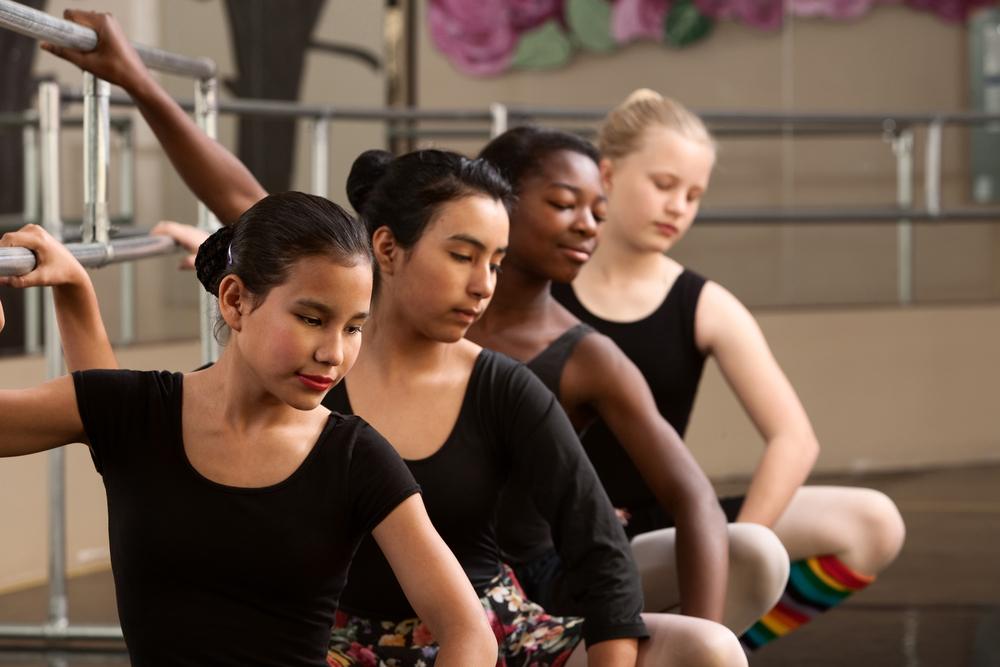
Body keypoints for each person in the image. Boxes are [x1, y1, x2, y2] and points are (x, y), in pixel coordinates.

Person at [0, 198, 497, 666]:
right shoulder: (138, 415)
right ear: (235, 301)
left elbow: (469, 634)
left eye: (352, 328)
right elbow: (107, 401)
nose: (334, 353)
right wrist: (75, 288)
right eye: (311, 318)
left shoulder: (356, 457)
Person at [551, 89, 907, 651]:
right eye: (664, 185)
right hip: (561, 535)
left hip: (667, 528)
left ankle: (723, 644)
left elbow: (794, 438)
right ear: (608, 175)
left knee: (873, 521)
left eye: (694, 195)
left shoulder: (705, 303)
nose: (678, 208)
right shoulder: (542, 284)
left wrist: (736, 548)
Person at [470, 126, 789, 634]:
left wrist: (701, 642)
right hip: (409, 580)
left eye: (599, 212)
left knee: (755, 551)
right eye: (563, 204)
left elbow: (695, 497)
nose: (587, 226)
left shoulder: (590, 356)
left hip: (539, 587)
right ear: (497, 202)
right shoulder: (425, 315)